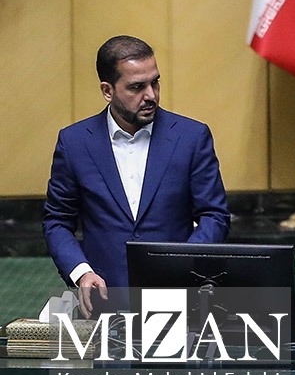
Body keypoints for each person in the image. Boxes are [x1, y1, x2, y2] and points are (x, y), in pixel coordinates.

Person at [43, 35, 230, 318]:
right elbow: (57, 221)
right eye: (136, 87)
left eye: (155, 82)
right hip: (103, 304)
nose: (151, 95)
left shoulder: (191, 137)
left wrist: (185, 264)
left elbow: (214, 215)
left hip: (180, 302)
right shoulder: (75, 143)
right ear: (108, 90)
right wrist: (81, 273)